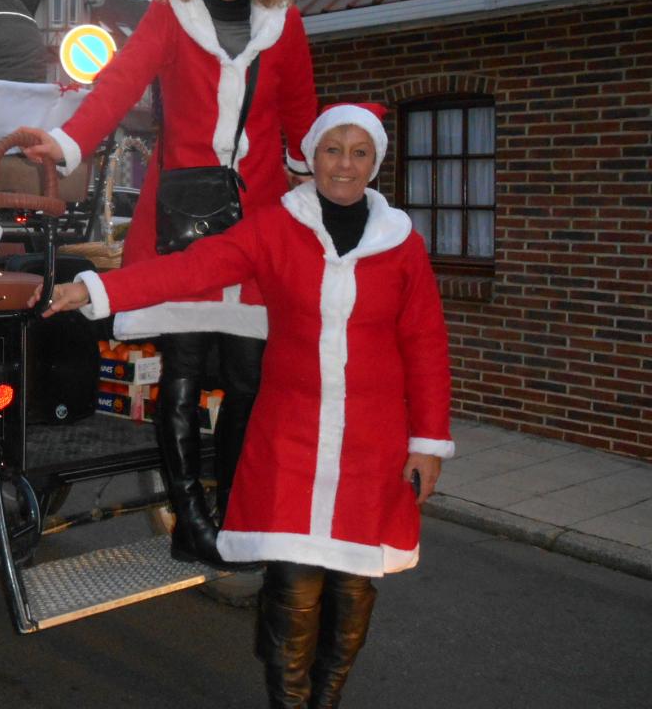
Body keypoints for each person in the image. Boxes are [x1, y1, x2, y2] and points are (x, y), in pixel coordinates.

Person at [36, 103, 454, 709]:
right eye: (332, 149)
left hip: (373, 438)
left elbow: (425, 343)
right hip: (290, 431)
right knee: (292, 582)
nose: (343, 163)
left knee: (355, 585)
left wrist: (428, 441)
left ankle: (325, 699)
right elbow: (194, 268)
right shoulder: (276, 228)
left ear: (375, 162)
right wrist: (97, 288)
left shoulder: (402, 244)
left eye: (358, 151)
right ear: (312, 156)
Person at [16, 0, 318, 568]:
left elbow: (302, 117)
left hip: (263, 217)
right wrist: (66, 144)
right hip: (185, 213)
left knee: (249, 374)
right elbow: (117, 86)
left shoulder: (286, 26)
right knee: (182, 367)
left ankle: (234, 508)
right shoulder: (168, 17)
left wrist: (330, 177)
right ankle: (189, 518)